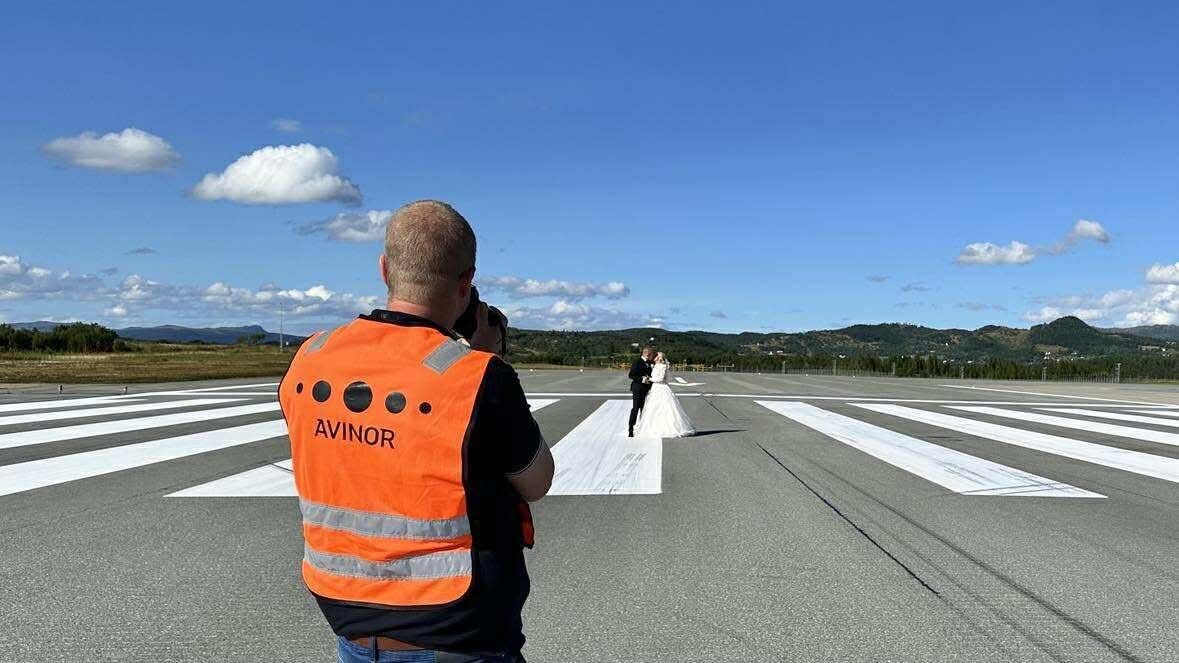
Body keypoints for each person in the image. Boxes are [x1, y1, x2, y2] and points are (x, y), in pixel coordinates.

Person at [279, 200, 554, 663]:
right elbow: (537, 480)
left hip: (349, 618)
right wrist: (489, 360)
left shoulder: (310, 357)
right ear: (466, 283)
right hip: (456, 630)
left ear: (384, 268)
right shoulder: (478, 376)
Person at [634, 352, 696, 438]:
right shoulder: (656, 366)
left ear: (660, 358)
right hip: (655, 388)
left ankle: (667, 428)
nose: (655, 357)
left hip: (661, 388)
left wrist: (649, 379)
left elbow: (660, 379)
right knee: (653, 408)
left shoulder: (662, 366)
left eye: (657, 356)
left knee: (664, 408)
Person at [627, 347, 655, 437]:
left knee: (644, 409)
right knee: (635, 409)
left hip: (647, 389)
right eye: (651, 354)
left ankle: (642, 428)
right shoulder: (637, 361)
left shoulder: (650, 362)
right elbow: (631, 375)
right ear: (647, 354)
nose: (652, 356)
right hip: (638, 388)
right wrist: (642, 380)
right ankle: (631, 429)